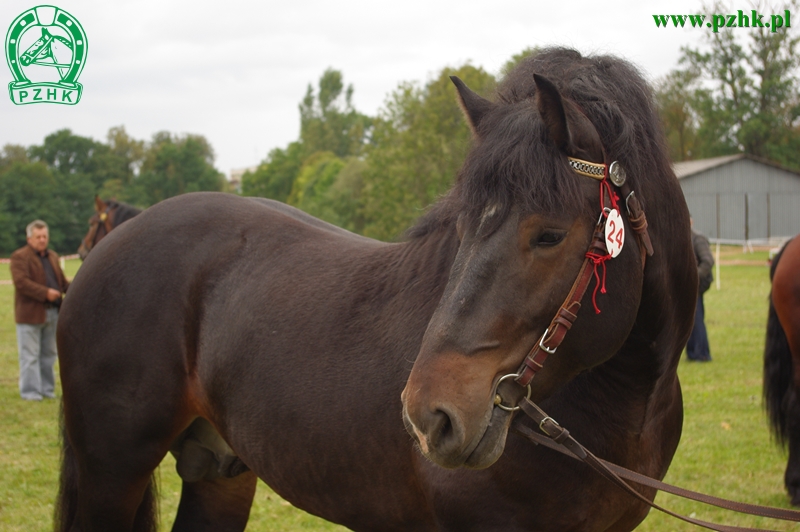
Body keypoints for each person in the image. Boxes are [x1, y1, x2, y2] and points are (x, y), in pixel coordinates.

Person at [10, 220, 69, 400]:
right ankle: (31, 392)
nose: (42, 240)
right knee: (30, 356)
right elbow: (21, 283)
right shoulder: (19, 257)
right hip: (30, 315)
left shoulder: (52, 256)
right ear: (29, 238)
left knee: (49, 355)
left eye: (45, 236)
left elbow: (63, 283)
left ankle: (47, 390)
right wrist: (45, 293)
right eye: (38, 237)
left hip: (52, 314)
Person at [687, 220, 714, 362]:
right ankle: (692, 353)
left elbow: (708, 261)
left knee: (697, 320)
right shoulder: (684, 237)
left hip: (697, 286)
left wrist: (693, 277)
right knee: (689, 321)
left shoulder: (698, 238)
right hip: (687, 286)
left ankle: (702, 353)